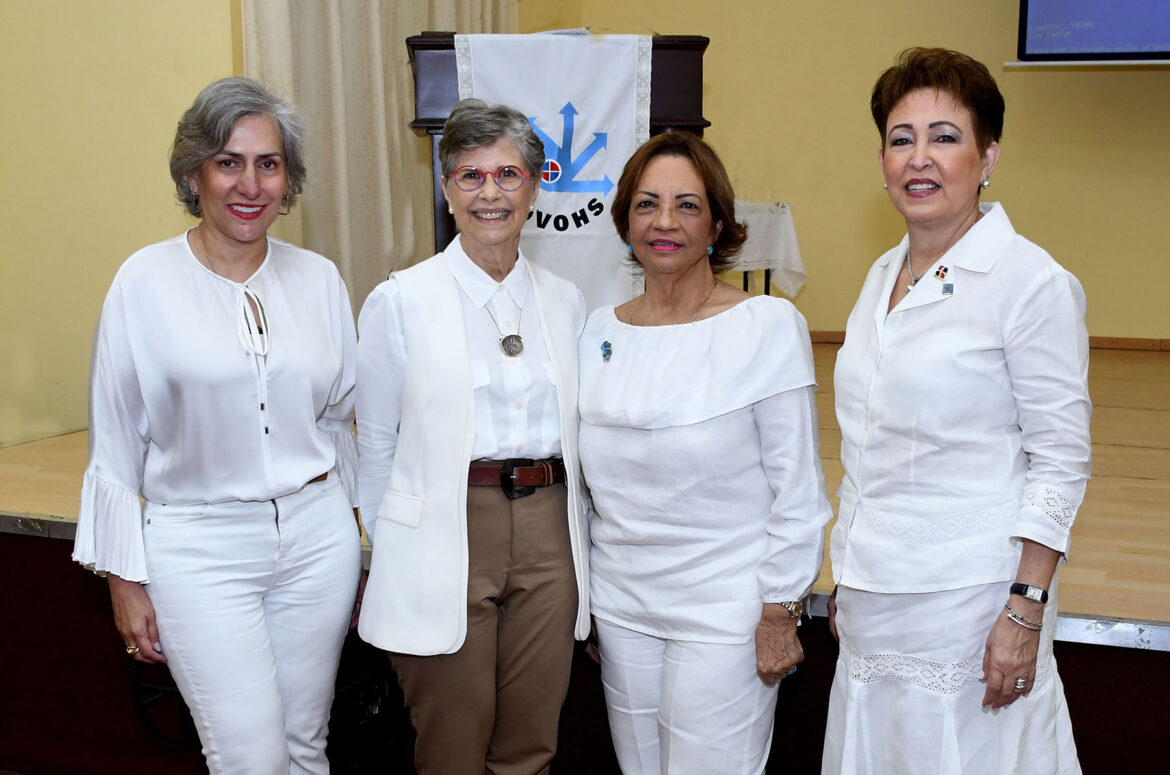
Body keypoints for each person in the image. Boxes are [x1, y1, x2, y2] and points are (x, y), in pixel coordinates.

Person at [72, 77, 362, 774]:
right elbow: (114, 442)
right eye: (229, 161)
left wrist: (359, 537)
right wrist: (124, 578)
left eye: (269, 163)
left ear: (287, 178)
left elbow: (342, 418)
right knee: (249, 757)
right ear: (193, 170)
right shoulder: (142, 283)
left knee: (303, 746)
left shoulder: (320, 278)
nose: (250, 184)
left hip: (317, 540)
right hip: (199, 548)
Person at [823, 48, 1090, 774]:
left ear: (988, 155)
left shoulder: (1032, 283)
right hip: (876, 597)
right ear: (881, 158)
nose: (920, 158)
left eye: (945, 136)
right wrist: (848, 575)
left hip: (971, 602)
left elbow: (1060, 459)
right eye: (901, 138)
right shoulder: (882, 275)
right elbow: (866, 445)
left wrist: (1025, 607)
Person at [577, 131, 834, 774]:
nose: (665, 222)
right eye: (647, 204)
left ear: (718, 223)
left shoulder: (766, 327)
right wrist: (589, 603)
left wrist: (780, 611)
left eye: (687, 205)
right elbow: (585, 489)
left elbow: (798, 489)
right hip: (623, 607)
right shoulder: (595, 332)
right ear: (625, 221)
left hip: (727, 610)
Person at [355, 98, 590, 775]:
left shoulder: (564, 299)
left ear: (537, 183)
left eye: (508, 174)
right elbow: (375, 446)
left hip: (550, 529)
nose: (492, 193)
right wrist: (391, 551)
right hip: (442, 527)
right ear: (446, 187)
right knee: (453, 748)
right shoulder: (400, 301)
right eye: (471, 175)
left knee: (530, 745)